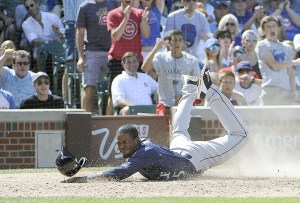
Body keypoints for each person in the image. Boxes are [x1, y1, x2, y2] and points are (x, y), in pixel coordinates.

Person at [62, 67, 249, 182]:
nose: (121, 146)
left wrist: (86, 179)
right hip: (180, 151)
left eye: (125, 142)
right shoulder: (141, 149)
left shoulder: (144, 153)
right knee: (179, 131)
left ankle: (212, 91)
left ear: (136, 140)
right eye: (119, 143)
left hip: (195, 158)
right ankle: (190, 87)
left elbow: (120, 172)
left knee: (241, 135)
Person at [141, 30, 200, 126]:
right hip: (165, 104)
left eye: (180, 40)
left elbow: (197, 84)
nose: (177, 43)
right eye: (174, 40)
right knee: (163, 131)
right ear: (168, 42)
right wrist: (156, 47)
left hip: (184, 105)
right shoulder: (161, 57)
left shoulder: (191, 60)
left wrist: (184, 97)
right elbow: (144, 68)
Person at [106, 0, 150, 115]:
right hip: (117, 59)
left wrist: (144, 22)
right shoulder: (113, 14)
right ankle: (107, 122)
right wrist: (126, 18)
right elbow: (116, 36)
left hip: (136, 61)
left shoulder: (140, 13)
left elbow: (146, 34)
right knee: (112, 95)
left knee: (139, 91)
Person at [76, 0, 119, 112]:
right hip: (92, 52)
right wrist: (81, 57)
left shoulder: (114, 4)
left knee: (113, 89)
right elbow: (79, 33)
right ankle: (84, 119)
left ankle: (108, 121)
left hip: (112, 52)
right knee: (89, 87)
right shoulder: (85, 6)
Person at [255, 15, 300, 105]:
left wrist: (294, 90)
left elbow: (290, 72)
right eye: (268, 27)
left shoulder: (287, 47)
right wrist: (295, 62)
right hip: (270, 91)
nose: (272, 29)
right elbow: (275, 66)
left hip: (286, 92)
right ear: (263, 30)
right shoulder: (262, 45)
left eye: (274, 26)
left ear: (278, 28)